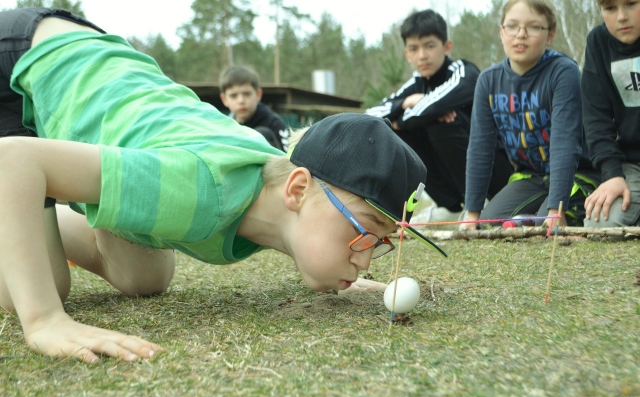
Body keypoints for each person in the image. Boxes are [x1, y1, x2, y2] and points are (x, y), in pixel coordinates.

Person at [0, 8, 445, 364]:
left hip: (88, 62)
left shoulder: (274, 192)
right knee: (37, 290)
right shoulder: (198, 189)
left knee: (146, 277)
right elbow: (15, 159)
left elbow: (314, 220)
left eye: (379, 243)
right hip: (25, 61)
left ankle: (42, 204)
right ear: (296, 190)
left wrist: (340, 265)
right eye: (362, 231)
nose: (365, 258)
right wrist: (43, 319)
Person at [365, 9, 512, 226]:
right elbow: (371, 115)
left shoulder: (464, 71)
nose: (422, 55)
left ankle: (480, 205)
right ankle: (452, 207)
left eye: (430, 45)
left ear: (447, 46)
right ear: (407, 54)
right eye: (414, 49)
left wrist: (402, 120)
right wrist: (406, 104)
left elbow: (434, 105)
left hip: (498, 170)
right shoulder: (415, 84)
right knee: (399, 131)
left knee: (435, 123)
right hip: (458, 182)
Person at [461, 0, 599, 230]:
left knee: (546, 226)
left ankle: (557, 207)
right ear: (501, 31)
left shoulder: (563, 71)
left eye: (534, 27)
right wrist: (472, 213)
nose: (521, 35)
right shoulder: (488, 81)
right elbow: (479, 149)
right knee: (488, 225)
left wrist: (557, 210)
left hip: (579, 174)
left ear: (551, 33)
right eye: (512, 26)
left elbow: (565, 142)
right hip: (531, 177)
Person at [581, 0, 640, 227]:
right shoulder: (598, 43)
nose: (622, 16)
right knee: (599, 224)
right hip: (631, 164)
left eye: (631, 4)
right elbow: (596, 119)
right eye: (610, 8)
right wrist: (612, 175)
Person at [219, 65, 290, 152]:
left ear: (258, 94)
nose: (241, 101)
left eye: (247, 94)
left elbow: (289, 158)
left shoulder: (274, 124)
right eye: (233, 96)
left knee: (262, 133)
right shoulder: (225, 127)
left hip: (272, 164)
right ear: (224, 99)